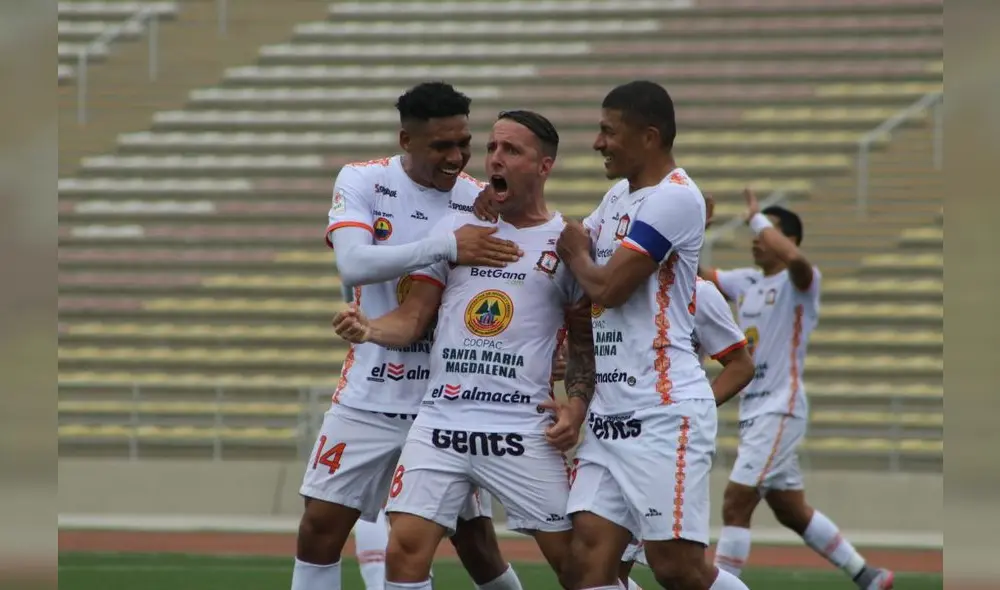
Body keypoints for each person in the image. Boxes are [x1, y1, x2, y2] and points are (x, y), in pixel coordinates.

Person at [332, 110, 590, 590]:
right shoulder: (456, 229)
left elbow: (584, 343)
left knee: (578, 566)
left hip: (519, 426)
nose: (495, 158)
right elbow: (412, 320)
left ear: (544, 165)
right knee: (404, 550)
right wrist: (368, 328)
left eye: (512, 150)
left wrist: (575, 406)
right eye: (492, 148)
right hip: (442, 420)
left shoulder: (567, 242)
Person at [291, 81, 525, 590]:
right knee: (318, 529)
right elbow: (352, 263)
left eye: (463, 142)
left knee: (476, 545)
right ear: (406, 141)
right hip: (370, 390)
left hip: (442, 401)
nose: (458, 156)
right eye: (442, 145)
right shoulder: (363, 181)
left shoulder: (479, 199)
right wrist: (445, 244)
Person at [554, 80, 750, 590]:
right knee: (585, 567)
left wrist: (575, 250)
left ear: (649, 136)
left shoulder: (677, 198)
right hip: (610, 415)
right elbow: (569, 257)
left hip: (662, 415)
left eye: (607, 131)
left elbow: (608, 285)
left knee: (677, 569)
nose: (598, 143)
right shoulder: (619, 195)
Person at [699, 191, 895, 590]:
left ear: (786, 240)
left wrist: (757, 219)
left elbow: (798, 261)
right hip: (756, 411)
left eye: (768, 232)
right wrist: (693, 228)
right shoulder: (748, 281)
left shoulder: (800, 282)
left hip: (780, 407)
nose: (756, 238)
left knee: (736, 502)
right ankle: (868, 575)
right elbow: (697, 276)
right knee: (790, 510)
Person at [614, 193, 754, 586]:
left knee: (677, 568)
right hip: (612, 432)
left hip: (662, 436)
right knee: (594, 565)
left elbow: (741, 365)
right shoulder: (616, 290)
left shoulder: (698, 293)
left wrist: (691, 406)